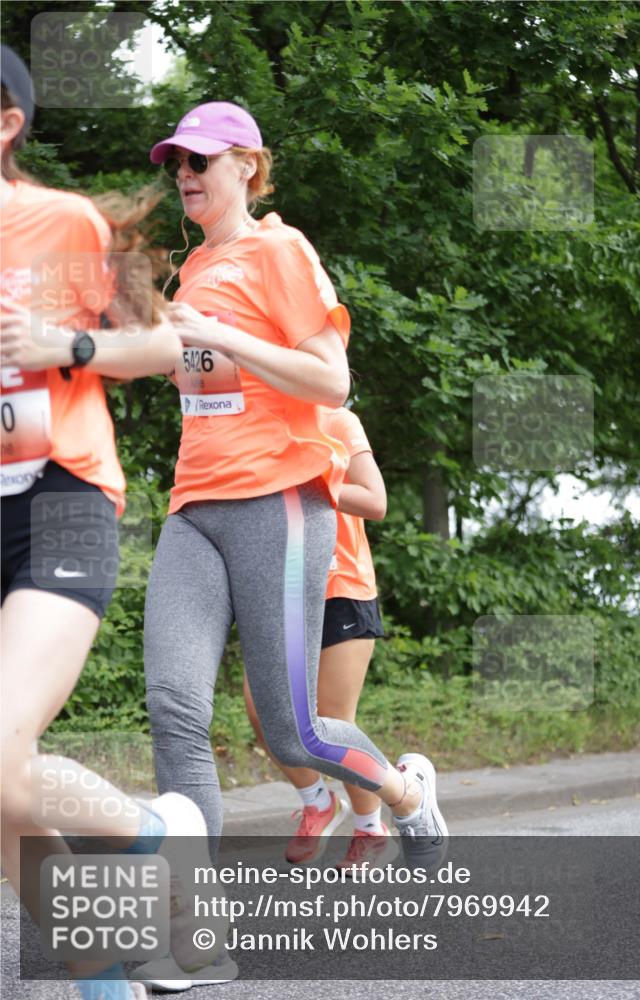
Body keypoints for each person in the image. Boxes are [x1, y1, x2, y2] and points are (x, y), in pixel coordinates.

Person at [141, 101, 448, 896]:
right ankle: (188, 927)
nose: (185, 174)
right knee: (175, 710)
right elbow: (185, 372)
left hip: (277, 500)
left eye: (200, 161)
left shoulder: (278, 249)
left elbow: (330, 379)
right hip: (193, 506)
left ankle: (407, 797)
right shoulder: (194, 269)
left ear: (247, 164)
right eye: (176, 162)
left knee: (293, 729)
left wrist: (220, 333)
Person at [0, 46, 214, 1000]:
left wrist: (66, 344)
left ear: (6, 122)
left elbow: (166, 345)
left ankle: (161, 833)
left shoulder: (61, 222)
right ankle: (103, 971)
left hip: (59, 501)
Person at [243, 403, 397, 871]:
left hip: (341, 586)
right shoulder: (256, 422)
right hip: (285, 590)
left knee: (331, 719)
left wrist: (310, 477)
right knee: (260, 706)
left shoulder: (338, 421)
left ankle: (372, 829)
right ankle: (317, 802)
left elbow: (375, 501)